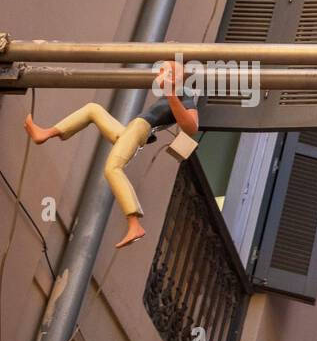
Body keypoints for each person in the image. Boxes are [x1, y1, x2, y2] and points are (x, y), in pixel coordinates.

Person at [24, 60, 197, 248]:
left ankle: (134, 223)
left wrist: (171, 93)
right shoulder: (169, 94)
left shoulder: (183, 94)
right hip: (132, 129)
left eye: (165, 71)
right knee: (93, 109)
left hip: (140, 130)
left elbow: (191, 126)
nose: (159, 75)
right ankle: (46, 133)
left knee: (113, 169)